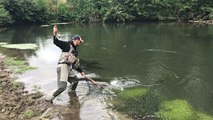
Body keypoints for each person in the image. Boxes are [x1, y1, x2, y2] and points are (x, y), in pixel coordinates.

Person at [45, 25, 85, 103]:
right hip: (63, 67)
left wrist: (81, 71)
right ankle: (48, 99)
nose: (80, 43)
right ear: (76, 40)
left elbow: (74, 64)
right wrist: (54, 33)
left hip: (69, 68)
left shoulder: (75, 51)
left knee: (76, 81)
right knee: (62, 87)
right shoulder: (67, 45)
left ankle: (71, 93)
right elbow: (56, 42)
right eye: (80, 41)